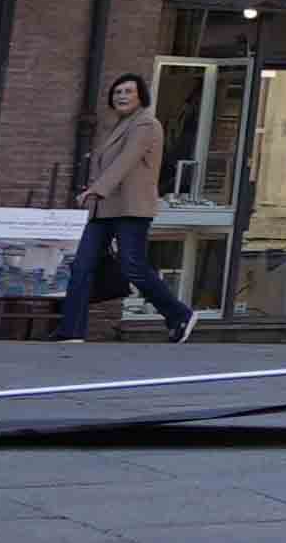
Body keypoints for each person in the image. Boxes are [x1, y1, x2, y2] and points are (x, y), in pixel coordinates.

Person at [61, 73, 204, 343]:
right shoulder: (114, 126)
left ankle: (179, 314)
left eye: (128, 92)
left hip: (130, 207)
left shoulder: (146, 124)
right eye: (117, 92)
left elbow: (126, 161)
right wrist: (94, 190)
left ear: (141, 97)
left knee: (133, 267)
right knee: (81, 266)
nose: (122, 96)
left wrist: (96, 189)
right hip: (102, 209)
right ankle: (71, 332)